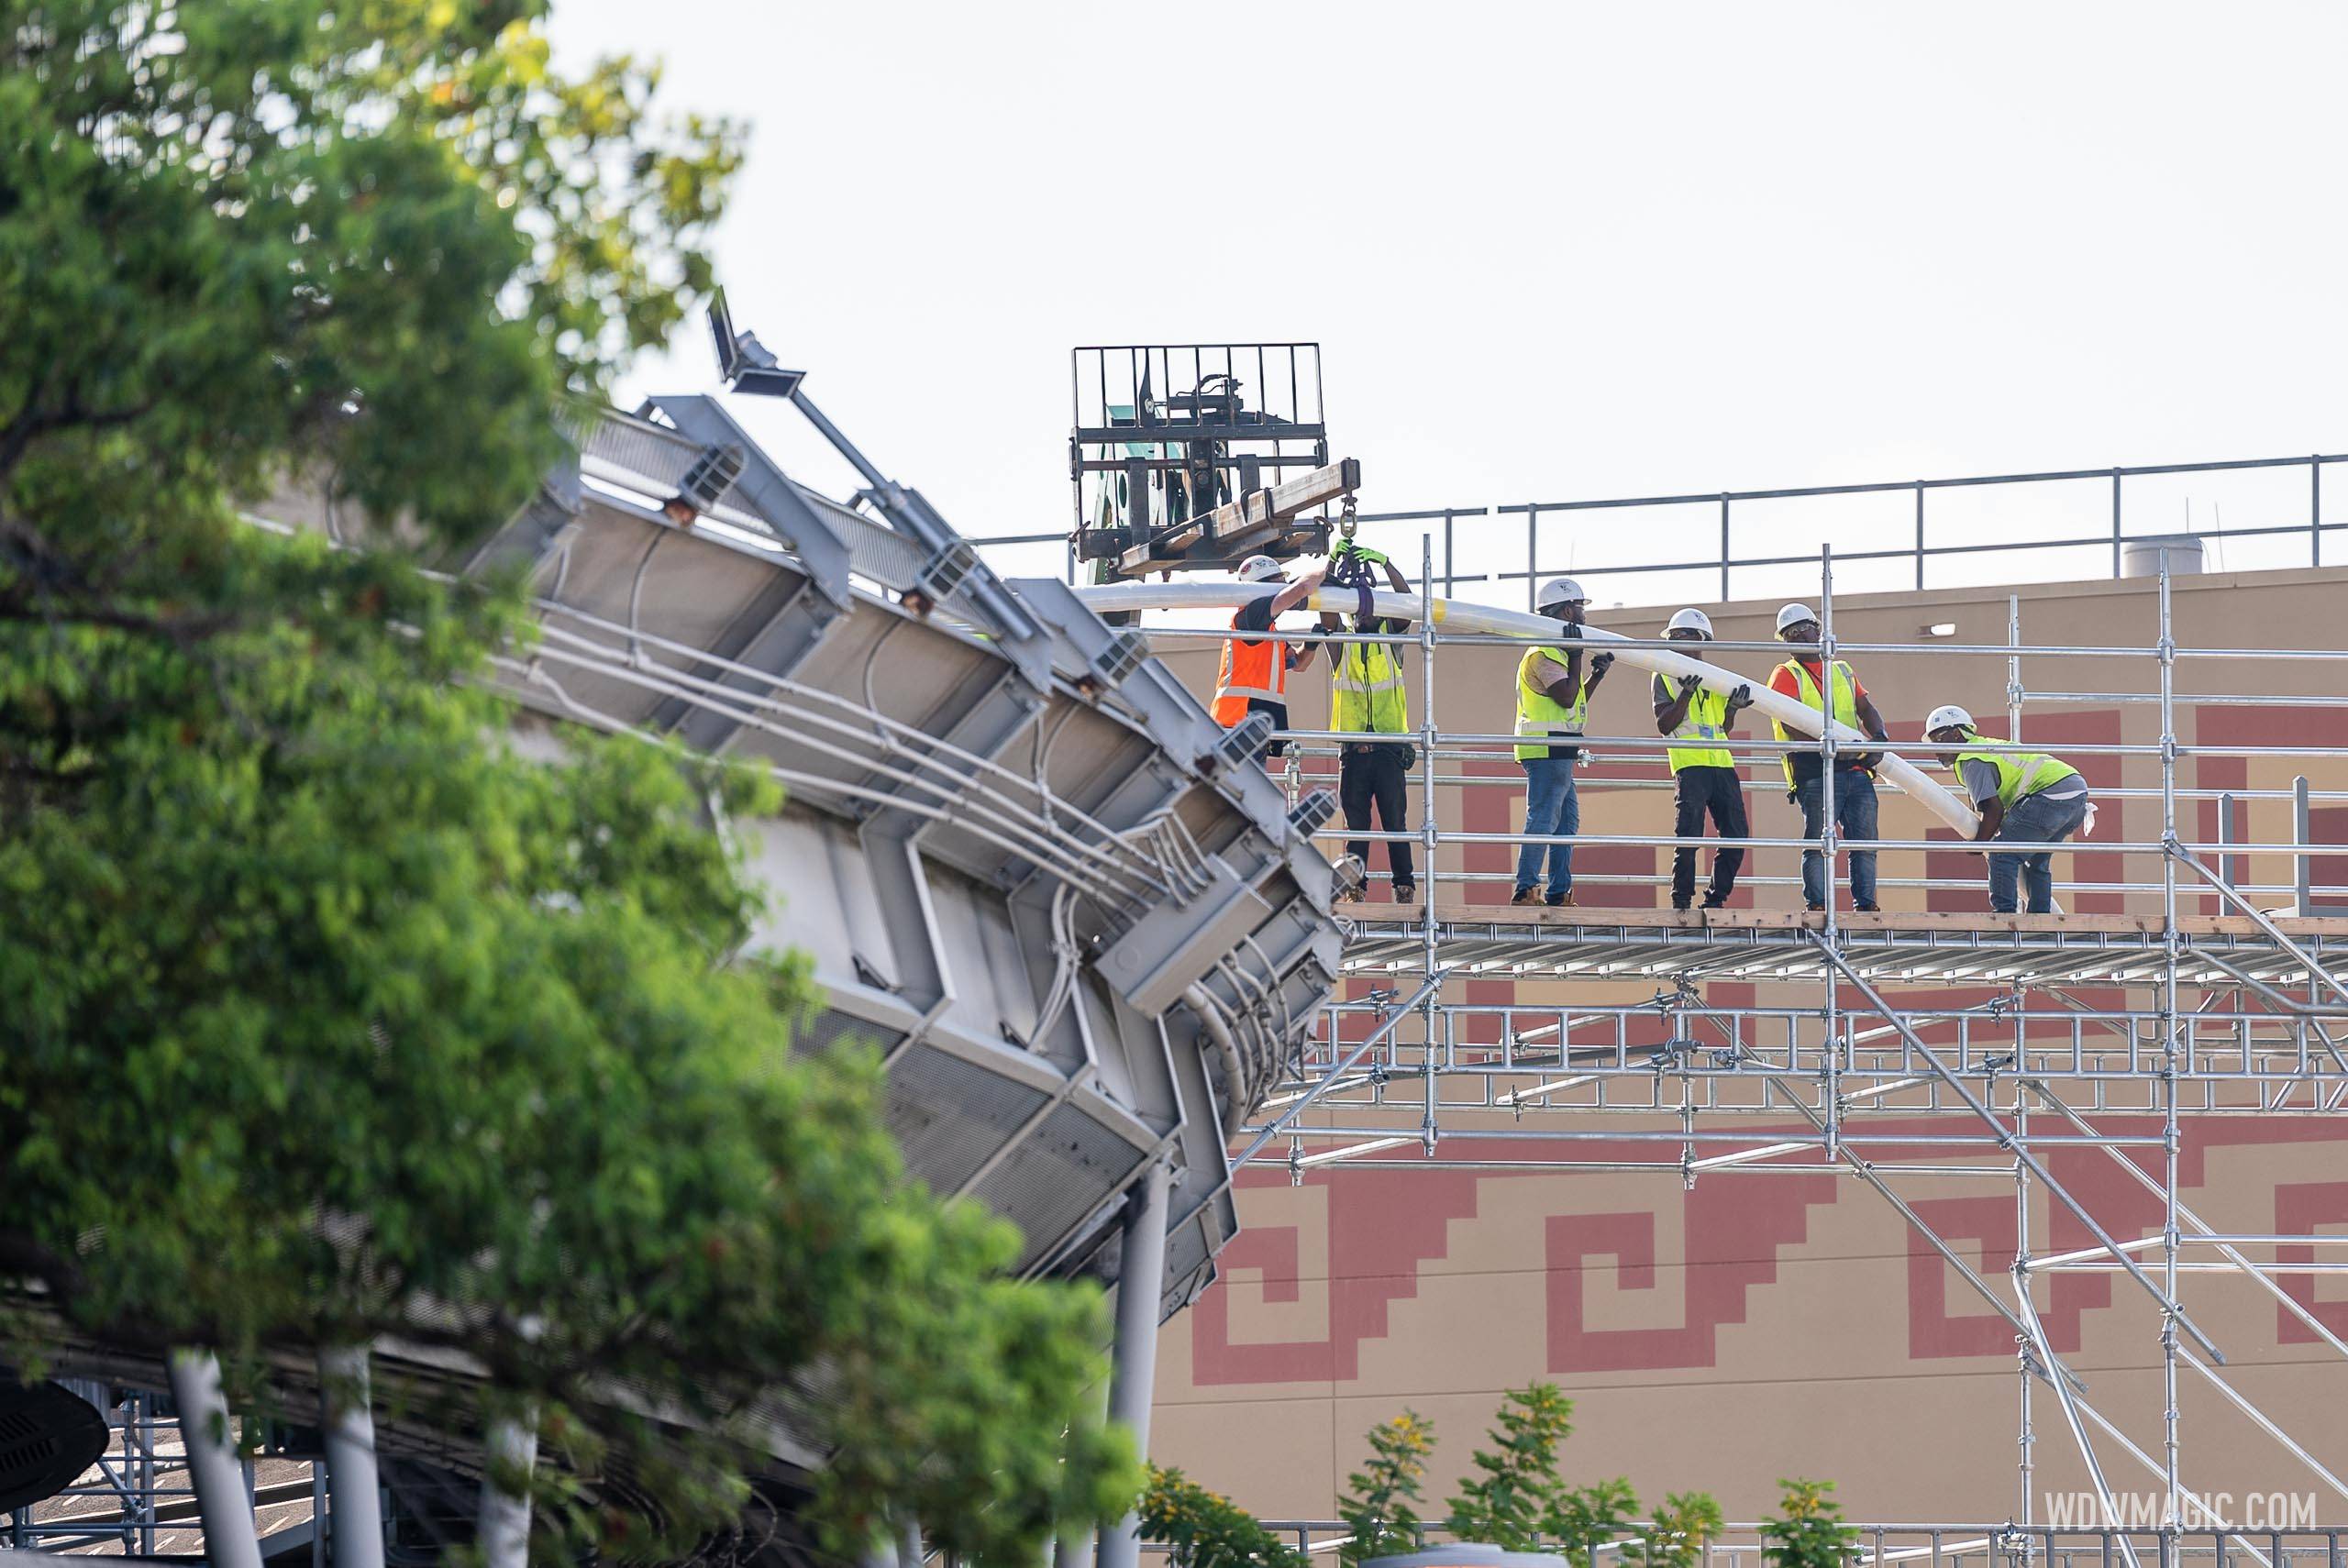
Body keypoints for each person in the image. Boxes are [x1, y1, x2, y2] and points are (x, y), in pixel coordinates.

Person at [1769, 603, 1892, 913]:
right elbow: (1790, 723)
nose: (1798, 636)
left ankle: (1866, 906)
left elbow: (1866, 708)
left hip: (1856, 769)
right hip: (1815, 769)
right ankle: (1819, 905)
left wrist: (1879, 738)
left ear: (1817, 629)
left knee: (1864, 843)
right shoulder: (1786, 673)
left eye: (1803, 628)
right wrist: (1833, 748)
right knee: (1818, 841)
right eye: (1790, 634)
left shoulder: (1842, 669)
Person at [1925, 704, 2092, 915]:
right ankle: (2040, 920)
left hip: (2049, 795)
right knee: (2037, 863)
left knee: (2001, 853)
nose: (1935, 749)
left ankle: (2004, 915)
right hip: (2075, 795)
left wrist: (1979, 844)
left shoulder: (1972, 759)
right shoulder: (1984, 748)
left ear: (1957, 734)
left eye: (1939, 739)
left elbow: (1993, 810)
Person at [1322, 547, 1418, 903]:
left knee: (1396, 822)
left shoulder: (1390, 642)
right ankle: (1355, 888)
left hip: (1390, 751)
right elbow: (1325, 609)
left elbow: (1407, 604)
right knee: (1356, 826)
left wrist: (1386, 562)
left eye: (1368, 607)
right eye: (1357, 607)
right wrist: (1332, 566)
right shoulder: (1342, 646)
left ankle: (1403, 886)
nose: (1363, 614)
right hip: (1354, 754)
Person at [1512, 577, 1615, 906]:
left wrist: (1595, 675)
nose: (1584, 617)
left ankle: (1559, 892)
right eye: (1581, 609)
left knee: (1566, 821)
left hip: (1560, 745)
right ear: (1569, 610)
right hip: (1546, 747)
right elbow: (1567, 698)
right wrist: (1576, 655)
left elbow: (1575, 696)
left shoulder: (1556, 653)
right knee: (1543, 817)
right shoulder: (1542, 655)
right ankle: (1526, 888)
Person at [1651, 608, 1754, 910]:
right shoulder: (1665, 675)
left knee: (1737, 834)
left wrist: (1733, 707)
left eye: (1681, 636)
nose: (1674, 642)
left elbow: (1723, 726)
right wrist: (1684, 694)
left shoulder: (1715, 678)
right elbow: (1664, 725)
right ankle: (1681, 901)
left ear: (1700, 640)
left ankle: (1715, 900)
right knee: (1689, 834)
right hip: (1690, 764)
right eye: (1672, 637)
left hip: (1721, 764)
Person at [1213, 555, 1323, 761]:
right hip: (1237, 723)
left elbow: (1299, 664)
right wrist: (1322, 573)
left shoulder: (1268, 629)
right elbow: (1301, 590)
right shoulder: (1250, 616)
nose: (1282, 587)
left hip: (1252, 724)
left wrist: (1310, 646)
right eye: (1278, 582)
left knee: (1248, 789)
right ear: (1260, 587)